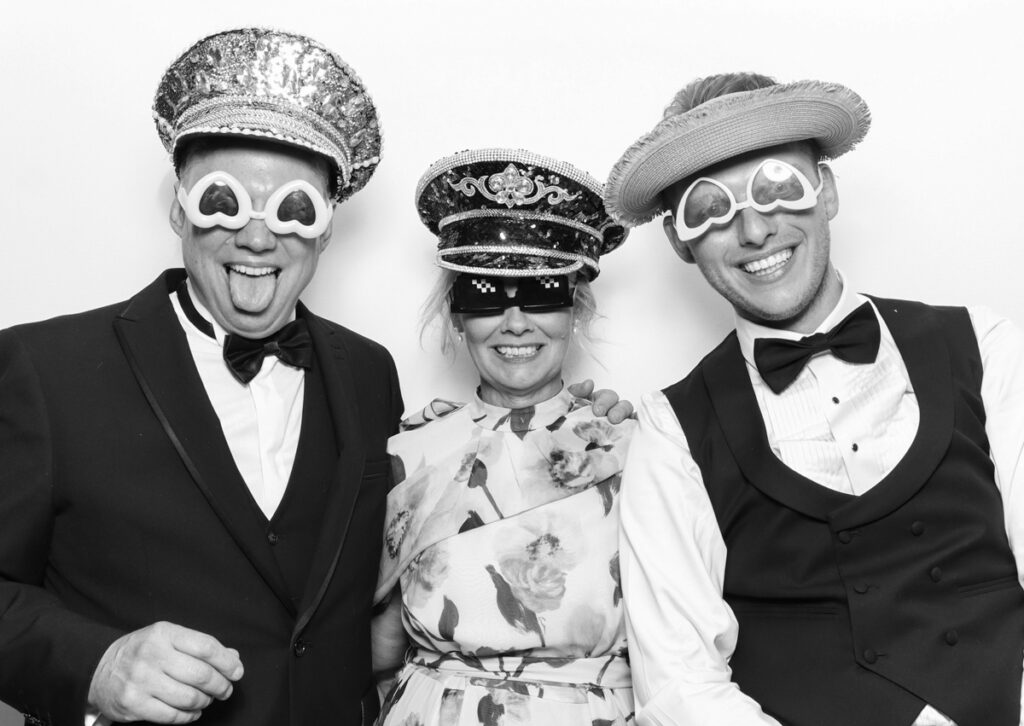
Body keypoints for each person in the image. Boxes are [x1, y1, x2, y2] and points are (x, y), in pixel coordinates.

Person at [603, 73, 1024, 726]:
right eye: (710, 208)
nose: (753, 229)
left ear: (826, 191)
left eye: (778, 185)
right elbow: (678, 685)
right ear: (680, 242)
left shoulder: (986, 346)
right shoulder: (671, 431)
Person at [370, 149, 636, 725]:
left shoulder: (630, 446)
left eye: (541, 292)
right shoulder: (405, 452)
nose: (515, 322)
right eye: (485, 294)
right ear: (456, 315)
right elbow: (378, 649)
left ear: (575, 309)